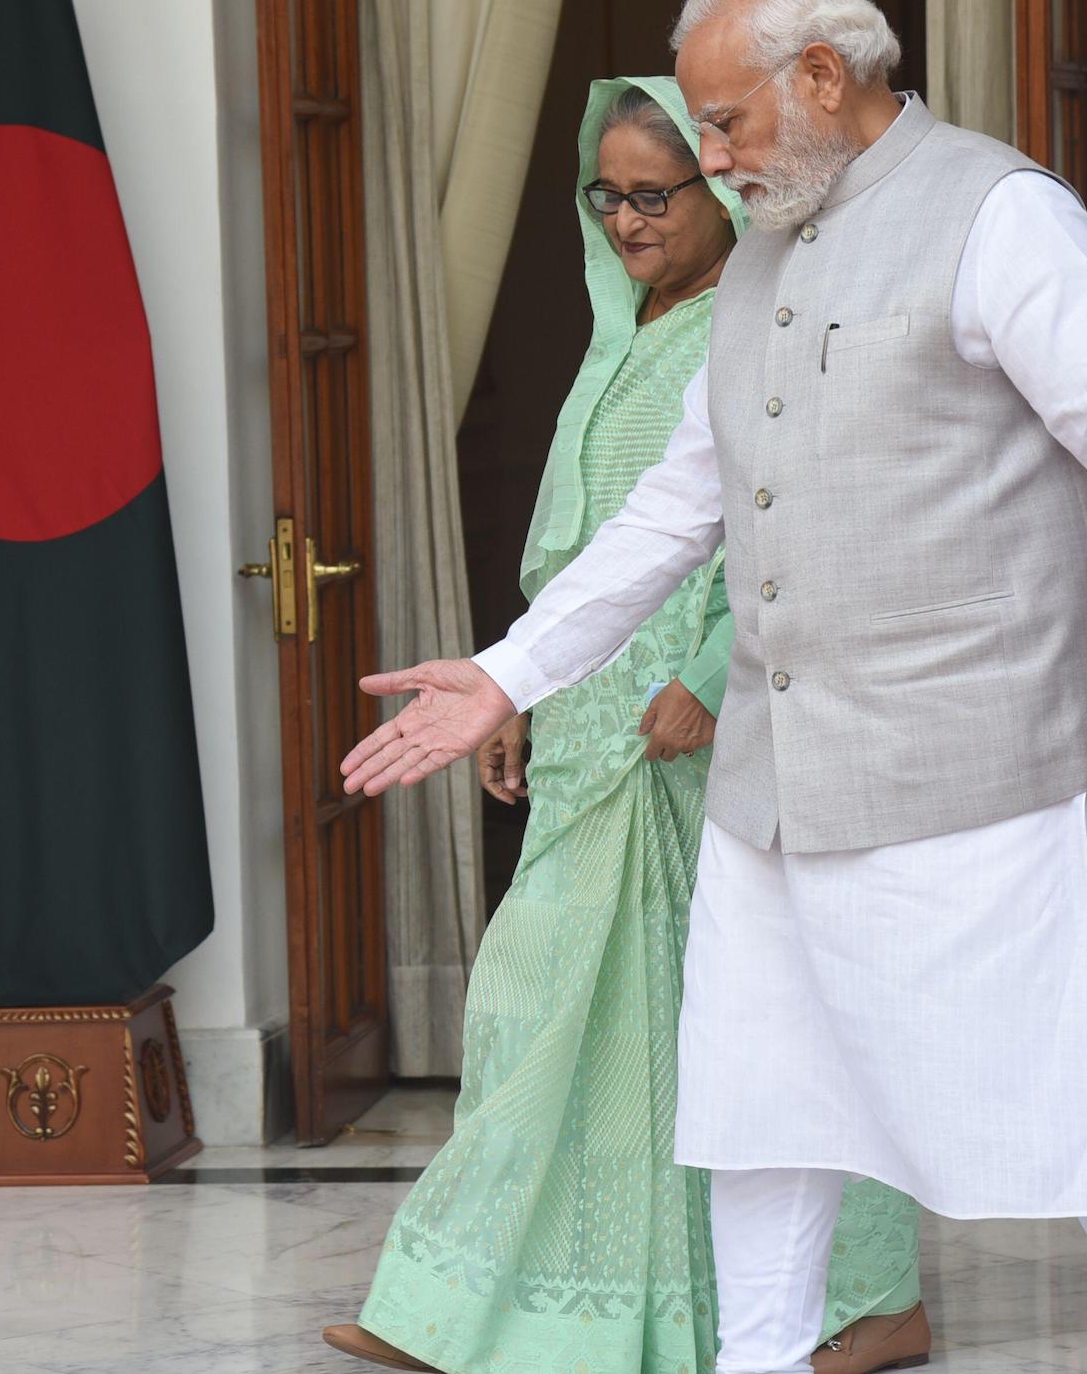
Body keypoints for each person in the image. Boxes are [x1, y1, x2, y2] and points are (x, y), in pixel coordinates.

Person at [339, 0, 1087, 1374]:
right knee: (765, 1109)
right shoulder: (764, 248)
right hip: (771, 786)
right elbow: (682, 503)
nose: (713, 157)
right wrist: (510, 672)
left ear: (821, 79)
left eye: (726, 122)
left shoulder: (1001, 215)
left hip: (975, 770)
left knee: (1070, 1091)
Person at [325, 79, 928, 1374]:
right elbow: (588, 535)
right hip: (593, 724)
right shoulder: (628, 328)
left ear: (719, 189)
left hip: (703, 729)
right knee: (552, 1008)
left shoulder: (764, 327)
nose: (628, 218)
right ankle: (474, 1298)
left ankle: (872, 1294)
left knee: (759, 1023)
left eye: (655, 192)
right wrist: (516, 684)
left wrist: (715, 670)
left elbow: (798, 520)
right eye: (607, 193)